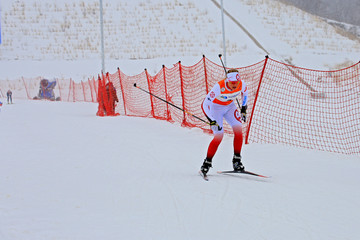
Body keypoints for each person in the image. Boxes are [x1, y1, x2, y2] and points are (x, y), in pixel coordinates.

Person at [200, 68, 248, 176]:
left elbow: (245, 94)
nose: (235, 85)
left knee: (239, 132)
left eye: (236, 82)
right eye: (232, 83)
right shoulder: (219, 87)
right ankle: (207, 163)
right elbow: (205, 104)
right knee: (219, 136)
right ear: (227, 80)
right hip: (216, 109)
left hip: (230, 107)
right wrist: (211, 120)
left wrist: (244, 108)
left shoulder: (242, 84)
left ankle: (237, 161)